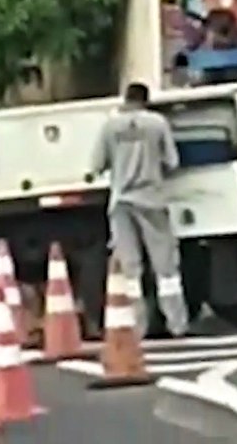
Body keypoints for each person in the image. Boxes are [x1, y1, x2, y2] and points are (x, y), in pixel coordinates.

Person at [91, 81, 189, 339]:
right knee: (165, 266)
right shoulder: (157, 123)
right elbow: (172, 162)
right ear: (146, 100)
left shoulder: (110, 126)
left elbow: (96, 165)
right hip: (151, 199)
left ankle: (137, 327)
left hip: (121, 202)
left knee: (130, 268)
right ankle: (177, 324)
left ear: (126, 98)